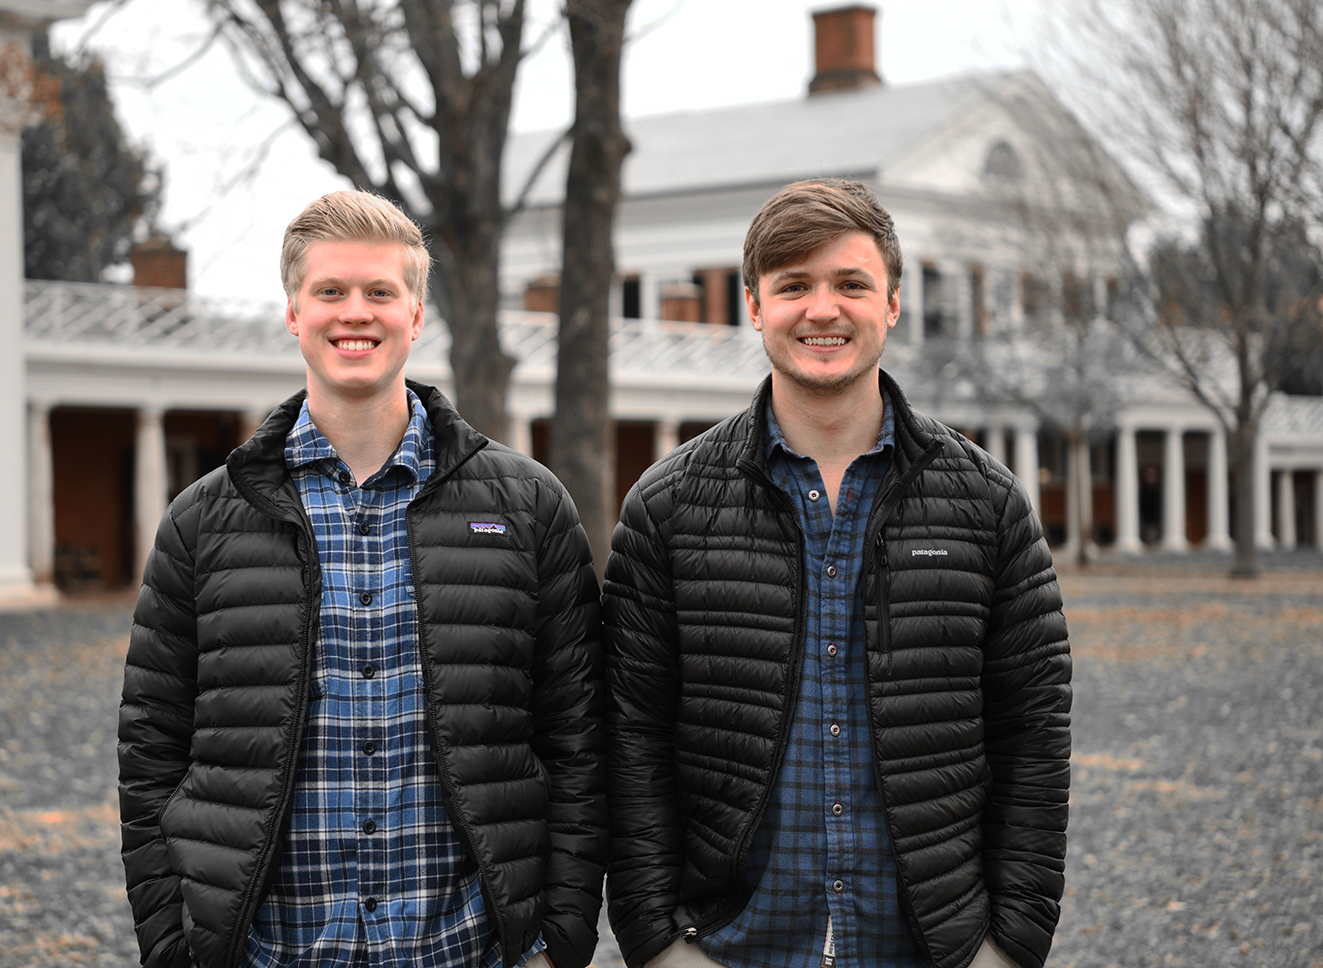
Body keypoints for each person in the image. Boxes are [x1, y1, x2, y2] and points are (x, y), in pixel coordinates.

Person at [118, 190, 606, 968]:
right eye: (330, 291)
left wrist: (558, 942)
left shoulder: (527, 505)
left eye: (381, 292)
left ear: (416, 315)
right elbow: (150, 757)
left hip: (465, 949)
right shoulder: (203, 520)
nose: (356, 313)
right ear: (293, 312)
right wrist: (174, 948)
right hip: (271, 951)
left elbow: (578, 742)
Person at [602, 179, 1071, 968]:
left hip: (929, 947)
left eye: (850, 284)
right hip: (731, 946)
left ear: (891, 304)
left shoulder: (984, 503)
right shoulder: (668, 504)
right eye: (793, 286)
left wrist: (1012, 944)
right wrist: (655, 943)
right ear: (754, 305)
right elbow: (630, 735)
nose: (823, 310)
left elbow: (1033, 735)